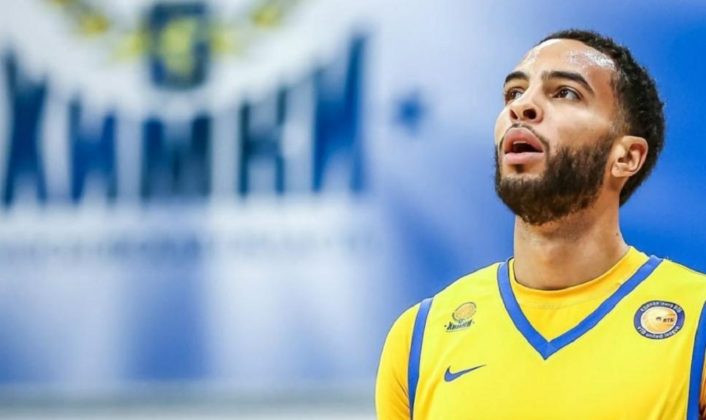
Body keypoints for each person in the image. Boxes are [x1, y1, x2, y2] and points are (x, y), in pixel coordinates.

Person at [375, 29, 706, 420]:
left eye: (565, 93)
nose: (523, 106)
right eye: (514, 93)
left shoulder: (697, 322)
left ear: (626, 157)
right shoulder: (419, 338)